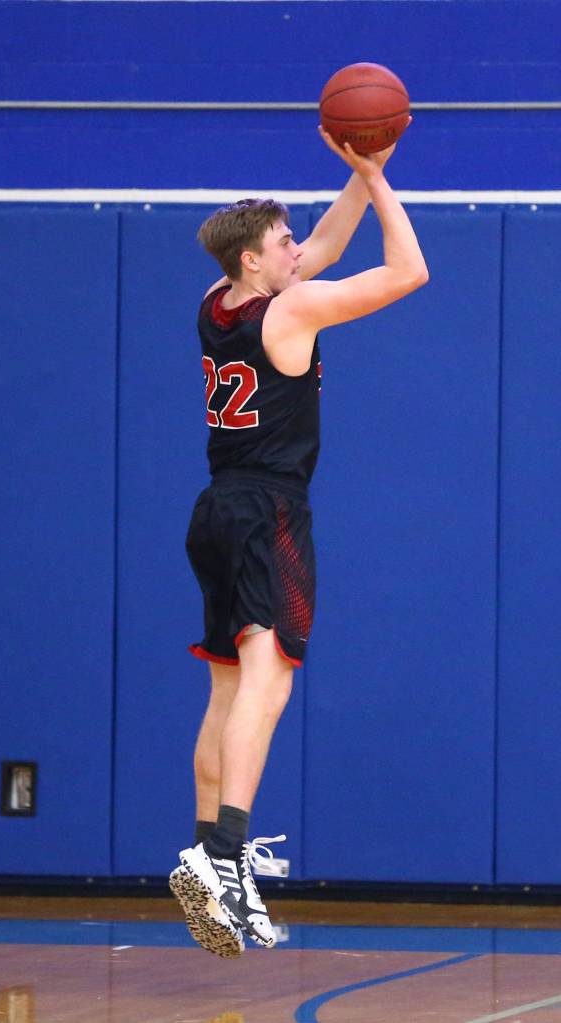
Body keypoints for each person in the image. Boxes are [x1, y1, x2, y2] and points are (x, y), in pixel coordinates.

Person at [169, 125, 428, 958]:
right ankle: (225, 859)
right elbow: (409, 270)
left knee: (225, 691)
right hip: (269, 510)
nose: (297, 248)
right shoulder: (295, 309)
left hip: (215, 509)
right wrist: (387, 189)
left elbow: (322, 243)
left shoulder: (218, 302)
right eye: (281, 243)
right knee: (269, 684)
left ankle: (204, 854)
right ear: (254, 261)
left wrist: (363, 170)